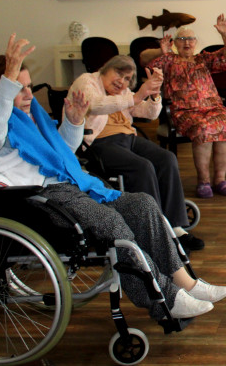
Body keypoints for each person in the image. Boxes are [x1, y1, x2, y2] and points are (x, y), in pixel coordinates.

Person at [0, 34, 226, 320]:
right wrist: (8, 77)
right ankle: (164, 298)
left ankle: (187, 284)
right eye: (19, 89)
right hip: (37, 199)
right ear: (0, 91)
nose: (29, 95)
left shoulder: (33, 118)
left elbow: (64, 152)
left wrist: (73, 120)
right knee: (111, 223)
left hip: (66, 186)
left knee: (142, 204)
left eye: (29, 87)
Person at [68, 54, 204, 252]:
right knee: (143, 167)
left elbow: (149, 113)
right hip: (98, 143)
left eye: (126, 79)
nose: (121, 81)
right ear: (106, 69)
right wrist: (136, 95)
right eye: (119, 74)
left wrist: (155, 94)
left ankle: (175, 226)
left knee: (167, 159)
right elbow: (94, 104)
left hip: (128, 138)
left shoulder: (124, 91)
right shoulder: (87, 81)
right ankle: (155, 232)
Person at [140, 16, 226, 198]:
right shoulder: (168, 60)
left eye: (191, 39)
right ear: (175, 43)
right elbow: (143, 59)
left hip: (213, 108)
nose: (187, 43)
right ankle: (204, 181)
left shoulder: (203, 59)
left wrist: (225, 34)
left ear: (196, 43)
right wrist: (160, 51)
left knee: (225, 128)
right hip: (185, 111)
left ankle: (220, 180)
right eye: (182, 39)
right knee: (203, 131)